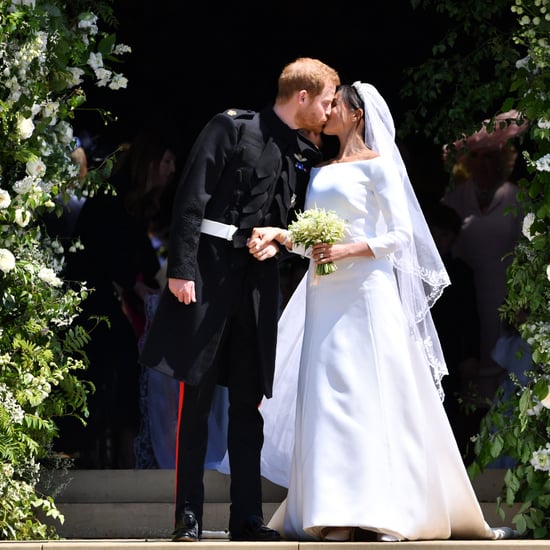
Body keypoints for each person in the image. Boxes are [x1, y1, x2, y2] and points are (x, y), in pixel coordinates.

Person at [246, 82, 517, 541]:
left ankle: (379, 508)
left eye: (335, 104)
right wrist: (280, 234)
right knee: (327, 397)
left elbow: (400, 237)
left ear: (355, 114)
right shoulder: (320, 167)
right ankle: (332, 511)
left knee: (368, 394)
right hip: (324, 292)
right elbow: (313, 232)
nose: (327, 110)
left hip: (365, 293)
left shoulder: (378, 167)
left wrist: (347, 248)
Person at [138, 57, 340, 543]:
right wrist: (182, 271)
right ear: (303, 97)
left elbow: (296, 220)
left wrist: (279, 240)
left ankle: (246, 517)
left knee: (250, 403)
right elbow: (191, 197)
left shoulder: (303, 153)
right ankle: (187, 515)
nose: (330, 111)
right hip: (208, 278)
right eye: (328, 100)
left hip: (258, 287)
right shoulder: (230, 128)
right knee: (199, 399)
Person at [59, 126, 178, 469]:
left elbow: (142, 258)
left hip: (105, 297)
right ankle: (104, 453)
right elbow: (105, 249)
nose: (172, 170)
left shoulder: (132, 204)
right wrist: (136, 284)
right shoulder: (113, 199)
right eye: (167, 161)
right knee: (114, 364)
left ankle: (118, 451)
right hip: (90, 297)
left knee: (122, 365)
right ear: (150, 162)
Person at [442, 111, 528, 401]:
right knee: (468, 368)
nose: (483, 163)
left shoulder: (517, 198)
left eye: (490, 156)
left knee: (504, 371)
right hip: (465, 294)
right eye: (477, 156)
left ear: (502, 159)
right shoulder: (454, 199)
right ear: (467, 160)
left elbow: (528, 253)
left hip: (505, 293)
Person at [422, 199, 482, 464]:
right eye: (434, 233)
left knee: (449, 408)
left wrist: (471, 354)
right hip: (418, 348)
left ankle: (450, 465)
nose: (439, 240)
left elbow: (471, 317)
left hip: (451, 353)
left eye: (445, 235)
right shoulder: (413, 272)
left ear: (455, 238)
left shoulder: (461, 272)